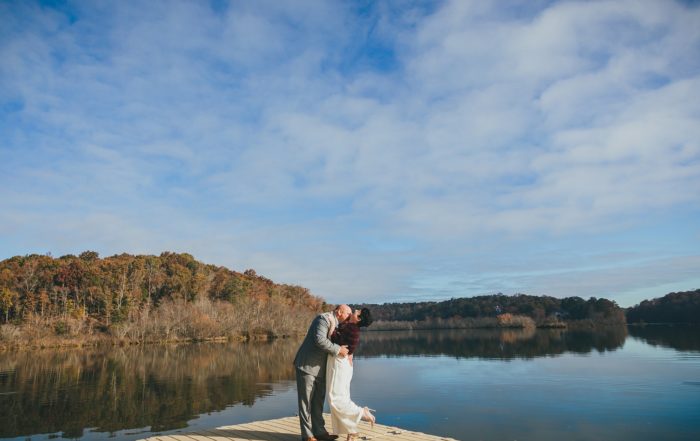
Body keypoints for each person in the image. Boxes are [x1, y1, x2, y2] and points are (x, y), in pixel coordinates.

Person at [294, 304, 352, 441]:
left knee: (318, 402)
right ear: (339, 312)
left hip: (321, 369)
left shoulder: (337, 325)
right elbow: (319, 340)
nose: (349, 317)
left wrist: (349, 353)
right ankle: (307, 436)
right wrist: (338, 350)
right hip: (307, 366)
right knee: (306, 402)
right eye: (347, 314)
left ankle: (319, 432)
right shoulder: (323, 319)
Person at [326, 308, 375, 440]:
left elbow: (336, 340)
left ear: (358, 318)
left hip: (339, 364)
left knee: (335, 398)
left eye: (357, 311)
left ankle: (361, 412)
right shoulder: (350, 326)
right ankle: (351, 431)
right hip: (340, 362)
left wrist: (330, 327)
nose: (355, 310)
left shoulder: (352, 329)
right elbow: (344, 343)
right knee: (341, 397)